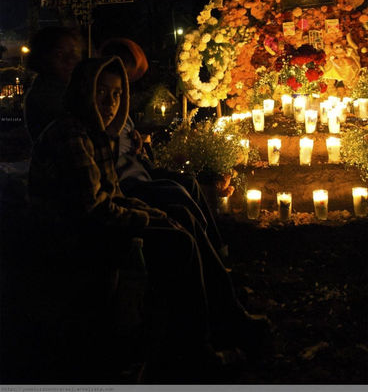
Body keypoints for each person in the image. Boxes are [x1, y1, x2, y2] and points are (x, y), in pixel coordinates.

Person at [28, 56, 271, 381]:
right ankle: (195, 351)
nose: (110, 102)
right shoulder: (72, 134)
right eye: (101, 91)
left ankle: (227, 318)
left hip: (95, 223)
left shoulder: (95, 132)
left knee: (179, 213)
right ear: (84, 90)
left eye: (117, 94)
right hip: (73, 236)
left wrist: (150, 213)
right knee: (177, 241)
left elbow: (112, 196)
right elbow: (94, 210)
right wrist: (147, 219)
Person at [99, 37, 228, 259]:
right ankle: (207, 253)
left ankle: (216, 245)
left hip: (139, 168)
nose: (126, 80)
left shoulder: (119, 99)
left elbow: (125, 129)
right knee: (177, 195)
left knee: (189, 182)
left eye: (129, 75)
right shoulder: (98, 107)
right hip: (127, 183)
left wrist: (136, 138)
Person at [24, 25, 83, 143]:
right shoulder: (44, 96)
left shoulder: (72, 88)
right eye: (59, 54)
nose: (70, 59)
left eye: (74, 52)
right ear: (42, 58)